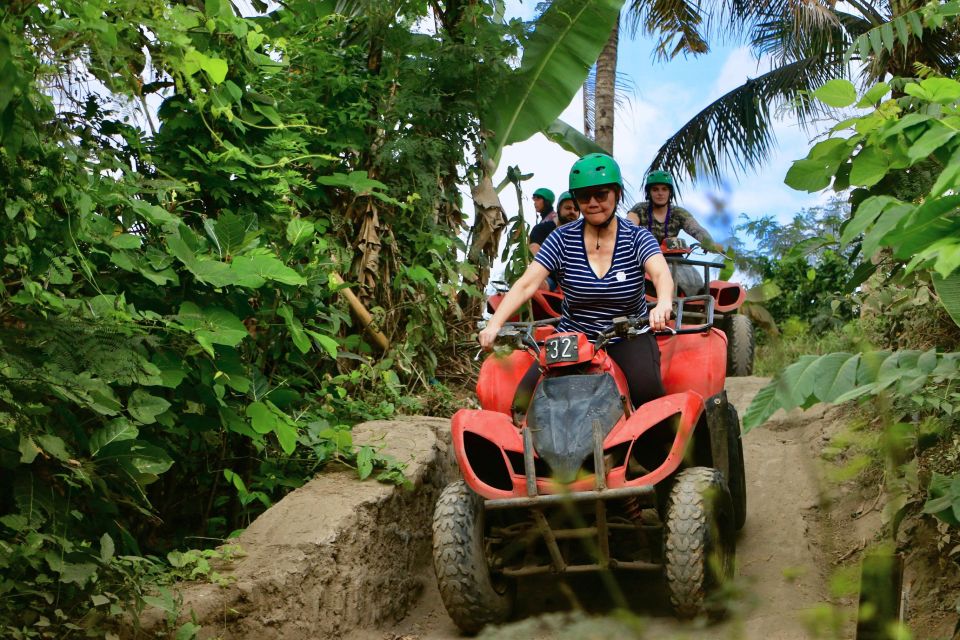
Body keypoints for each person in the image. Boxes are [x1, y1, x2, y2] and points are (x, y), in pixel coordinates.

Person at [479, 154, 674, 411]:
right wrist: (494, 324)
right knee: (523, 403)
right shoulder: (562, 238)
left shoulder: (637, 237)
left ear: (616, 194)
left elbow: (661, 274)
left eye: (601, 195)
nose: (592, 203)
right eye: (584, 197)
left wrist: (662, 304)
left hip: (627, 335)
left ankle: (655, 451)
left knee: (648, 394)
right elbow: (527, 283)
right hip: (573, 338)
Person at [626, 171, 720, 252]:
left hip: (673, 259)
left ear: (670, 192)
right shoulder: (639, 209)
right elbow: (627, 229)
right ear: (649, 193)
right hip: (643, 258)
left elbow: (696, 229)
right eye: (655, 189)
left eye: (664, 189)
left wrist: (710, 243)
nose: (660, 193)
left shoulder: (679, 213)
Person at [529, 187, 557, 254]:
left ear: (546, 201)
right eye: (534, 200)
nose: (535, 203)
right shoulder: (543, 220)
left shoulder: (555, 217)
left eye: (538, 199)